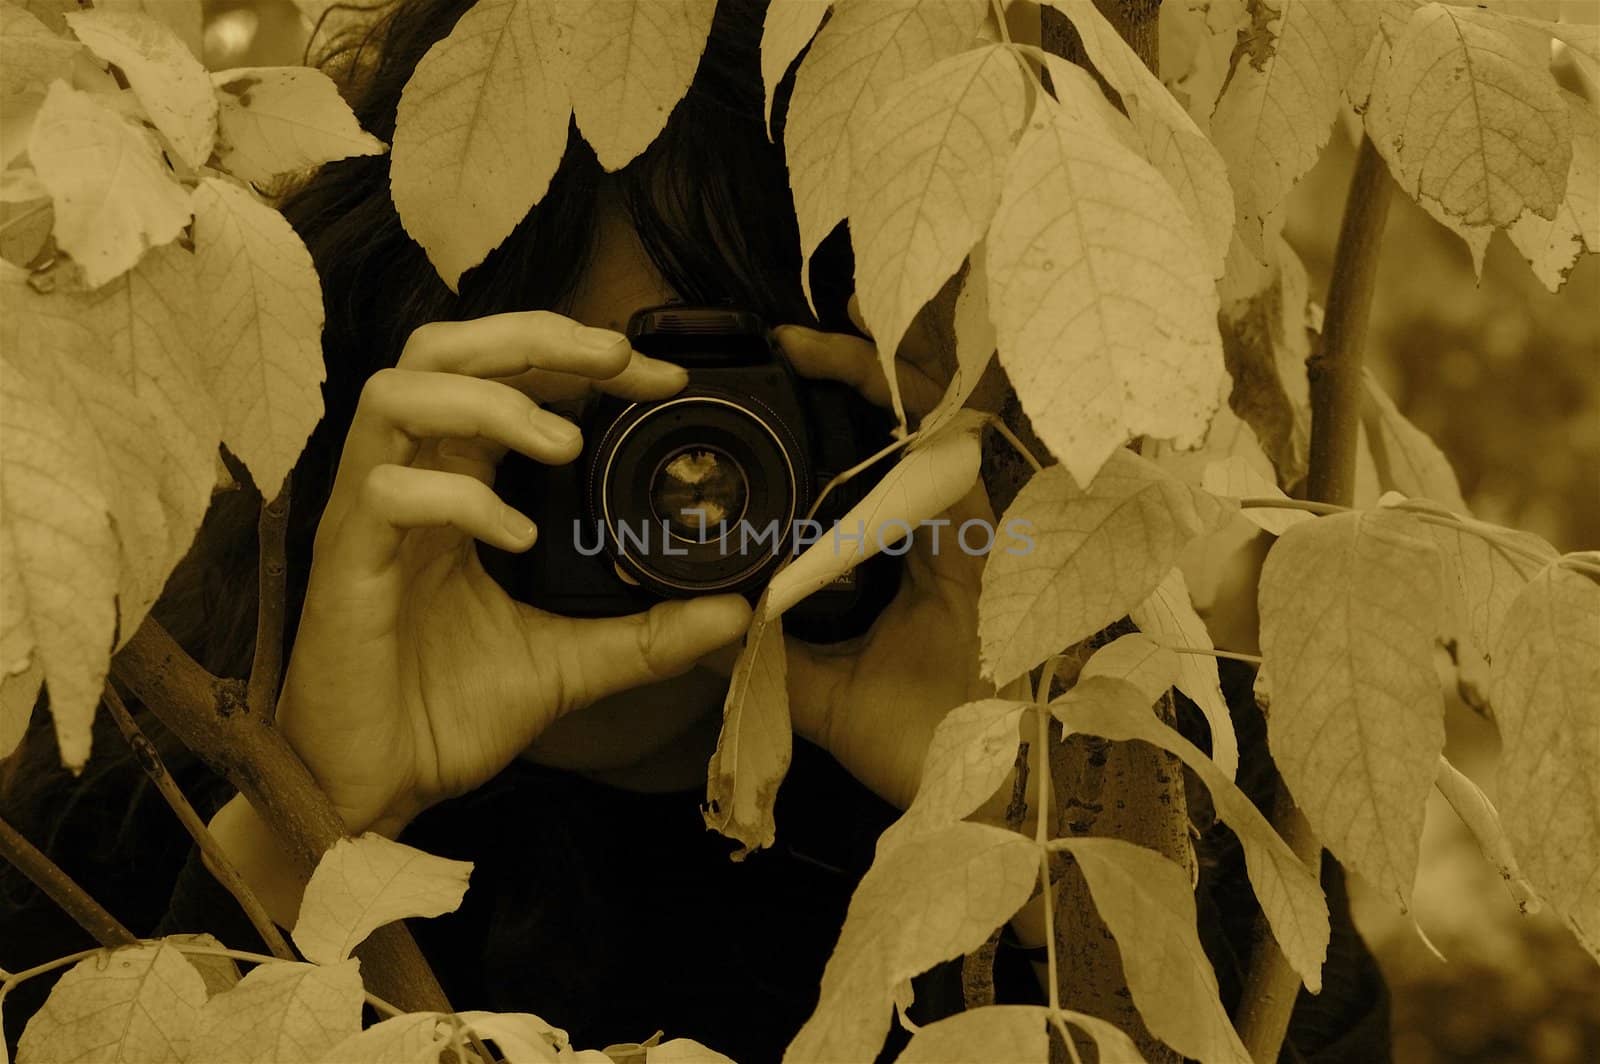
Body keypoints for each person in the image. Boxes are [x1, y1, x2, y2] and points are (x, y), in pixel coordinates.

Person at [0, 1, 1389, 1060]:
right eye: (570, 411)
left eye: (738, 418)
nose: (672, 495)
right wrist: (300, 826)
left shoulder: (1172, 785)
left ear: (890, 430)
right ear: (370, 382)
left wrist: (1027, 846)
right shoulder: (127, 777)